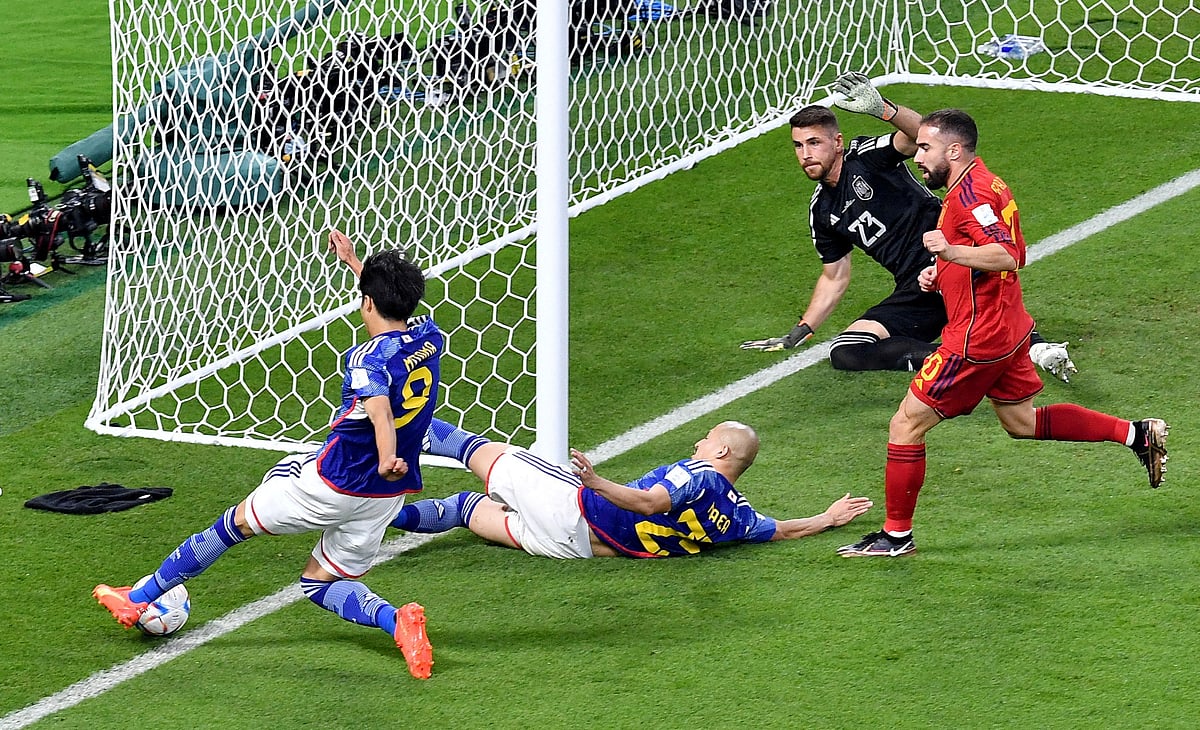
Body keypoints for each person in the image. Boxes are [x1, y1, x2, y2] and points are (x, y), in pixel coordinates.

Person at [93, 230, 442, 679]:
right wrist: (355, 264)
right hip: (387, 496)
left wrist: (385, 457)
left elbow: (379, 412)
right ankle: (398, 622)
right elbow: (392, 312)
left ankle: (138, 598)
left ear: (367, 303)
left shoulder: (365, 359)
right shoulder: (430, 336)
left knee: (234, 524)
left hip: (335, 484)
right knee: (319, 582)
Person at [836, 109, 1169, 558]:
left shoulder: (971, 195)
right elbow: (984, 249)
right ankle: (1136, 434)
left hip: (978, 337)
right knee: (1021, 422)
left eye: (927, 148)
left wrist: (949, 251)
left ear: (954, 150)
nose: (918, 156)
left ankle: (896, 537)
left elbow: (1009, 254)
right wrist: (942, 271)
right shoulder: (981, 183)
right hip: (1008, 326)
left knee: (906, 424)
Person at [740, 72, 1077, 382]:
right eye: (798, 146)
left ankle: (1036, 348)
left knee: (975, 302)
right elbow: (834, 277)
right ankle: (954, 358)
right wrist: (801, 329)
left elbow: (922, 137)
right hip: (917, 286)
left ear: (838, 142)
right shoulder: (822, 211)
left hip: (954, 258)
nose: (805, 154)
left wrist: (884, 110)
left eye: (814, 143)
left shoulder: (864, 157)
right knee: (846, 350)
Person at [389, 418, 873, 558]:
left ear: (723, 451)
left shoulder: (697, 474)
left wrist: (595, 481)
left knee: (473, 449)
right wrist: (828, 518)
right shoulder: (739, 516)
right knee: (465, 509)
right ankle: (380, 516)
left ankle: (393, 425)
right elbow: (783, 530)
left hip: (574, 507)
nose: (698, 442)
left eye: (707, 438)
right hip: (574, 547)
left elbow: (649, 502)